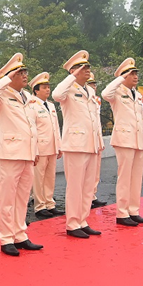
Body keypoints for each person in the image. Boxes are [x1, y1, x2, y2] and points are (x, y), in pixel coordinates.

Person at [0, 54, 43, 255]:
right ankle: (6, 238)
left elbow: (31, 126)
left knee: (22, 197)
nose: (24, 75)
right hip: (8, 154)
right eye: (20, 72)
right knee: (7, 198)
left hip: (26, 153)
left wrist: (34, 151)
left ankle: (20, 234)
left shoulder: (27, 97)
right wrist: (7, 77)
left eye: (25, 72)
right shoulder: (1, 95)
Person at [52, 51, 104, 238]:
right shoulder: (68, 90)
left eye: (88, 67)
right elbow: (56, 94)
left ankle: (83, 220)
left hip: (90, 144)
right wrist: (71, 77)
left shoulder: (89, 90)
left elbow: (93, 118)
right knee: (75, 186)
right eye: (83, 68)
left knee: (88, 186)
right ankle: (73, 223)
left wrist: (98, 140)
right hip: (75, 143)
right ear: (73, 71)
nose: (88, 70)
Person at [102, 58, 143, 226]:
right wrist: (120, 78)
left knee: (137, 177)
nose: (135, 76)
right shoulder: (117, 91)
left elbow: (140, 119)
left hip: (137, 139)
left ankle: (133, 210)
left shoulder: (137, 94)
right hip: (124, 139)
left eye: (136, 73)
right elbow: (105, 93)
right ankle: (122, 213)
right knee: (125, 177)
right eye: (132, 74)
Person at [29, 72, 63, 218]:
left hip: (52, 146)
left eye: (48, 87)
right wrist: (34, 149)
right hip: (40, 148)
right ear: (36, 90)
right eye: (44, 87)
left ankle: (50, 203)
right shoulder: (32, 106)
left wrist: (59, 146)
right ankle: (39, 205)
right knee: (39, 178)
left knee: (50, 177)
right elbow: (32, 129)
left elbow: (56, 127)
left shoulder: (51, 105)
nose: (48, 90)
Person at [87, 75, 107, 208]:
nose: (94, 87)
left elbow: (98, 122)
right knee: (87, 172)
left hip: (97, 138)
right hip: (87, 140)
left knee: (96, 171)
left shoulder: (96, 100)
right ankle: (87, 197)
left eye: (94, 84)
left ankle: (93, 195)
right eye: (91, 84)